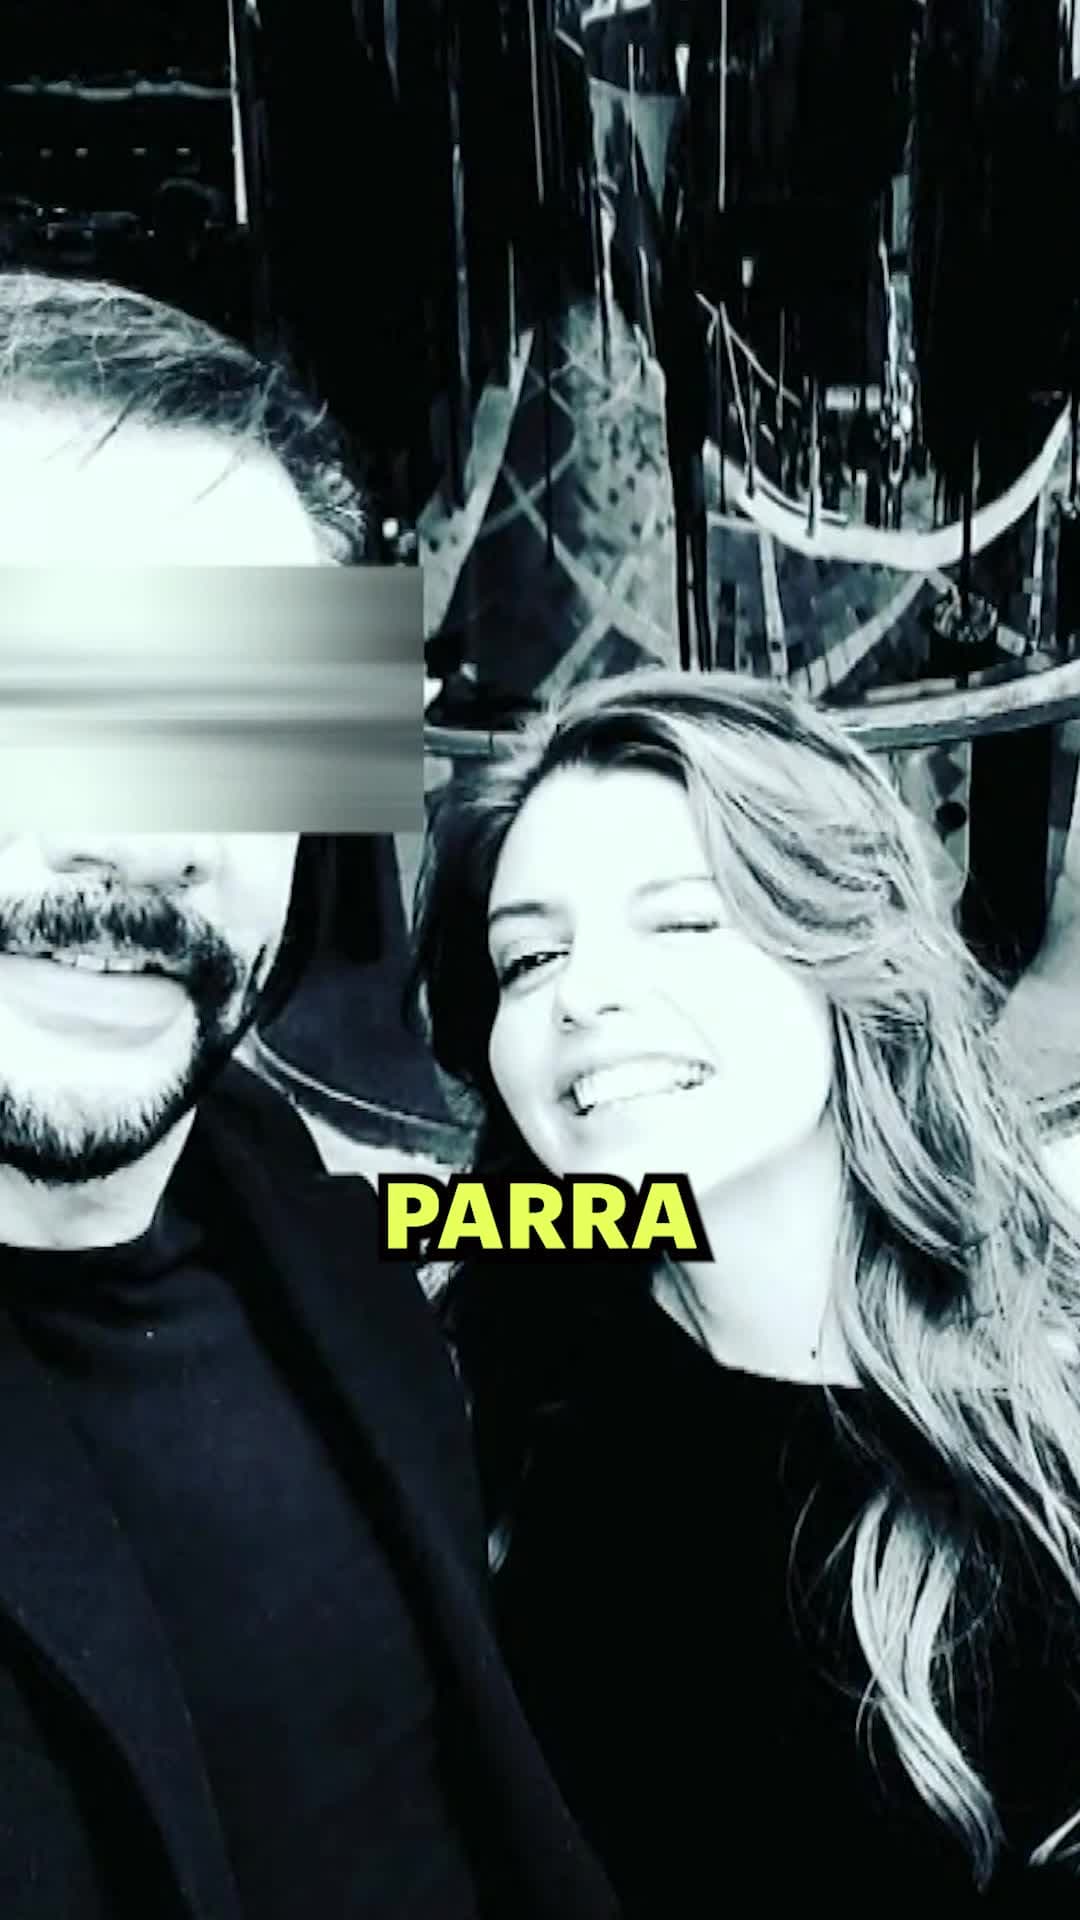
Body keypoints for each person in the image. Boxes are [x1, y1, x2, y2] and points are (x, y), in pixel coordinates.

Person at [0, 268, 618, 1920]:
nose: (139, 832)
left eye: (228, 730)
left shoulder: (277, 1182)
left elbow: (488, 1222)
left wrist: (765, 1192)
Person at [410, 666, 1080, 1914]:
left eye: (680, 923)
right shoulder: (511, 1311)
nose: (582, 994)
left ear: (849, 951)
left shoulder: (1041, 1453)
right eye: (530, 955)